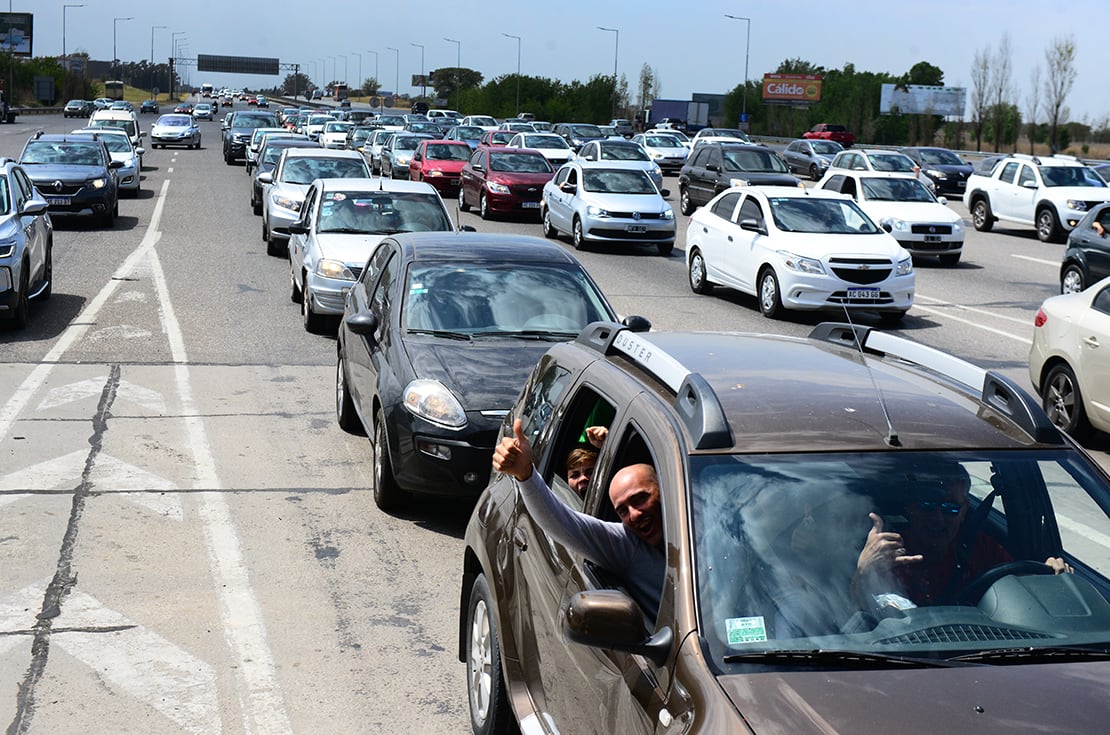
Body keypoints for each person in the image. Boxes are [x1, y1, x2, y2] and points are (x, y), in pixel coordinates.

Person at [493, 419, 665, 616]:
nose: (634, 514)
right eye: (622, 511)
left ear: (666, 491)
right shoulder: (629, 545)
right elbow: (561, 521)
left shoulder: (704, 525)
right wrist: (525, 474)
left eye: (641, 498)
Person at [854, 463, 1071, 608]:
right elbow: (851, 616)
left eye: (951, 509)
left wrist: (1051, 577)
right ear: (910, 508)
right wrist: (864, 572)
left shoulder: (980, 548)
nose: (938, 519)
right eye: (928, 506)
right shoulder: (886, 551)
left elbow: (1024, 589)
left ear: (965, 511)